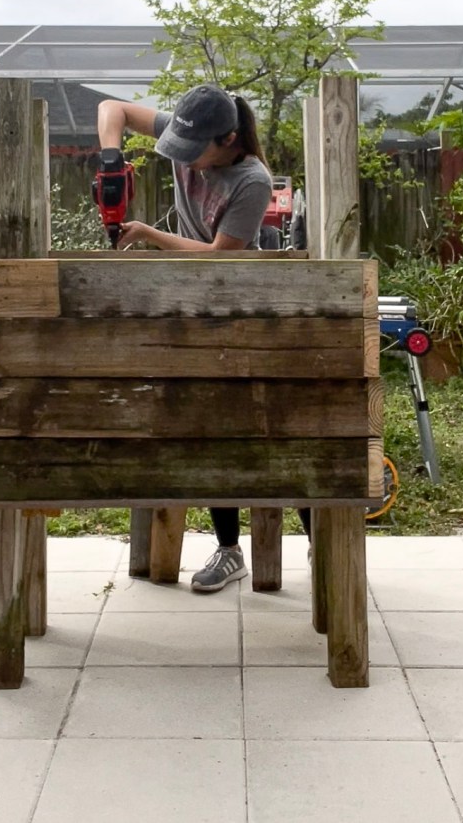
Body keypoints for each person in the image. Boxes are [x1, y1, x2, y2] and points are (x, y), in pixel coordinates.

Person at [97, 83, 276, 592]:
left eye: (196, 154)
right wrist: (111, 159)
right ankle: (228, 548)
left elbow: (221, 254)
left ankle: (317, 541)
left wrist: (148, 234)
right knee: (200, 426)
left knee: (256, 431)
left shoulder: (252, 180)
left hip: (239, 305)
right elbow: (112, 108)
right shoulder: (187, 133)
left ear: (230, 140)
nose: (186, 160)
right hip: (185, 301)